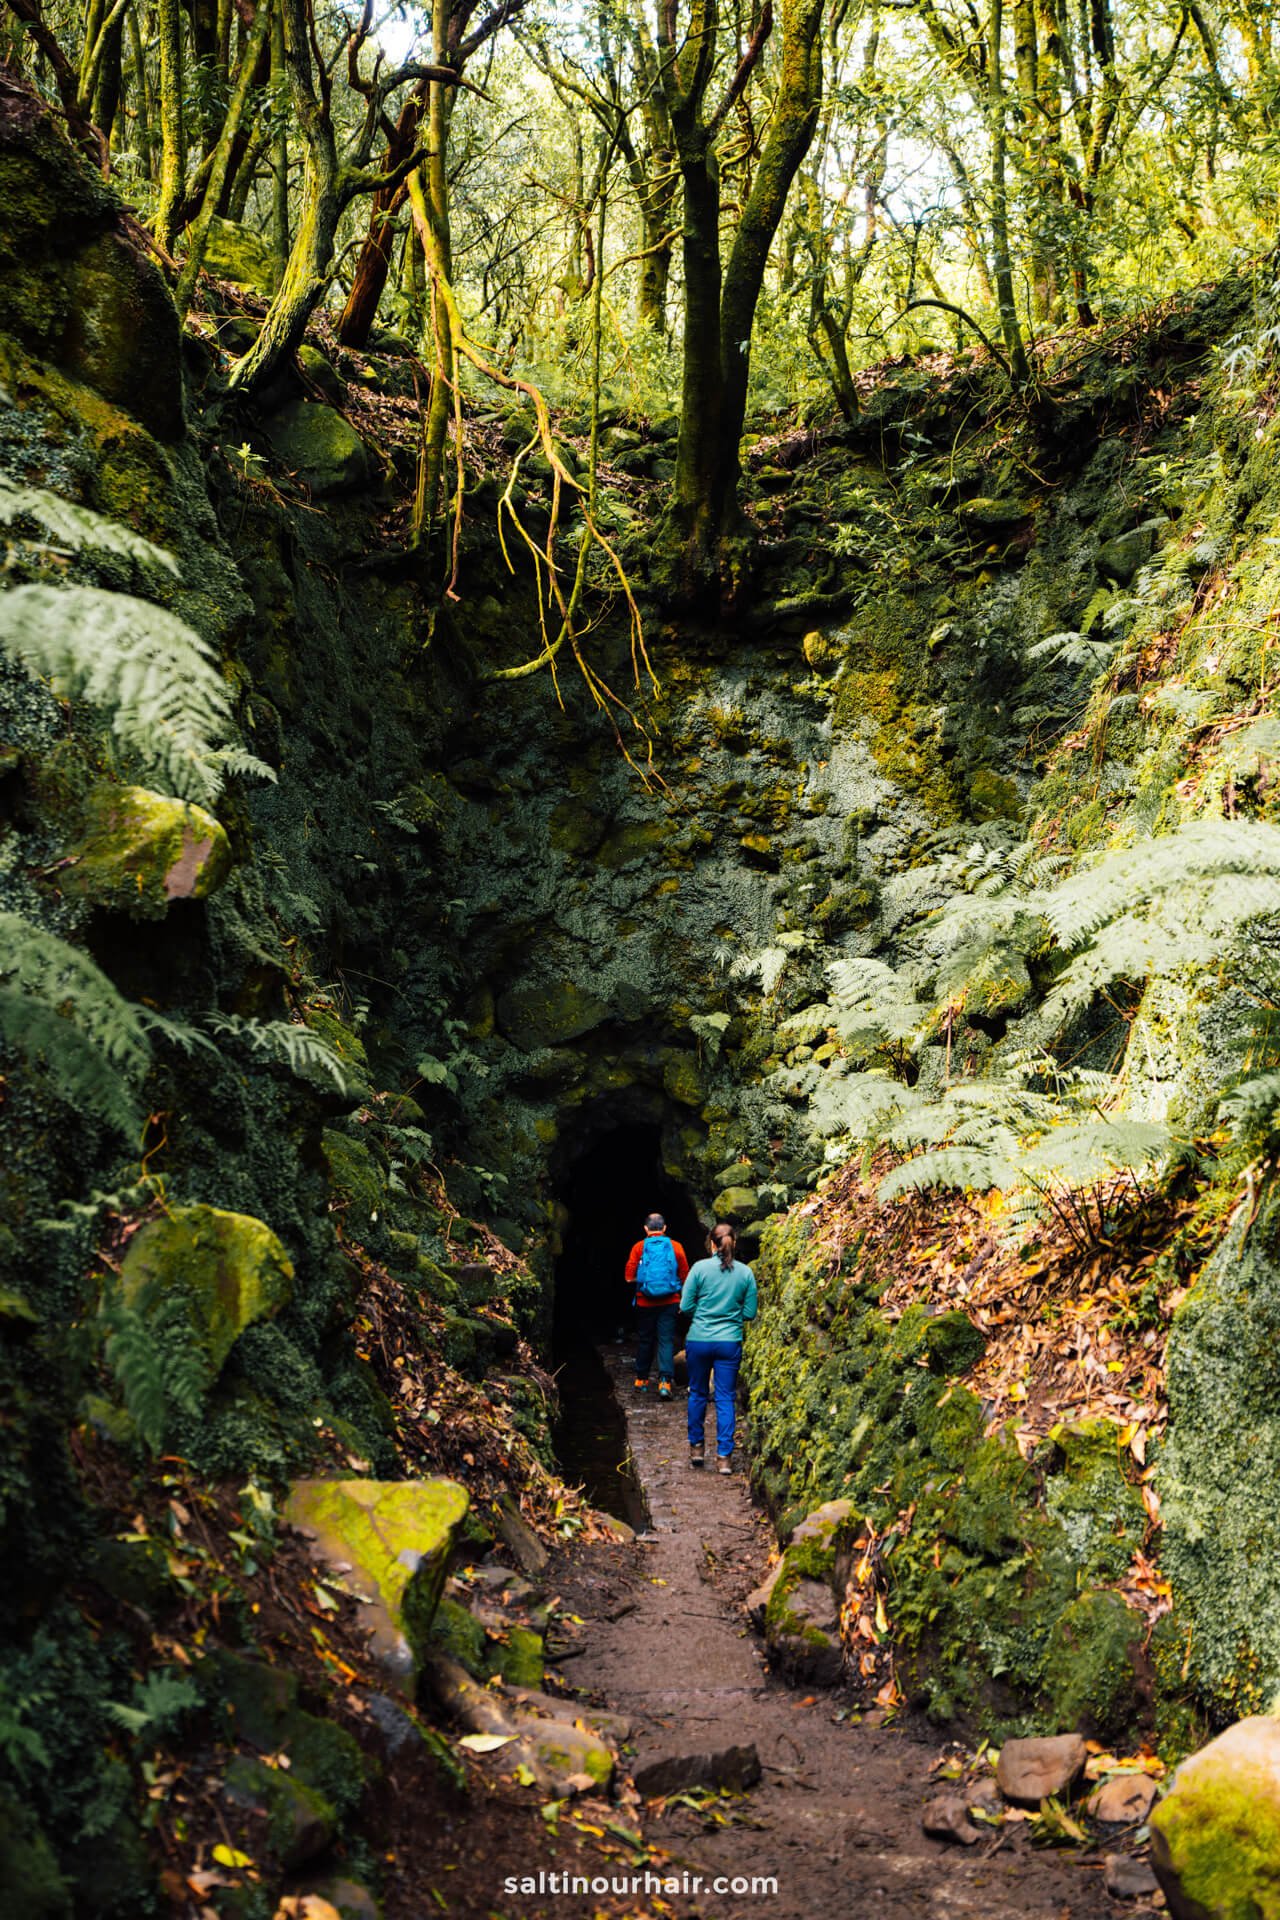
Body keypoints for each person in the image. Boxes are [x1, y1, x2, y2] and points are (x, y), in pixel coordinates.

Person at [681, 1221, 757, 1473]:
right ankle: (724, 1458)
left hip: (699, 1340)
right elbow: (749, 1312)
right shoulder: (745, 1273)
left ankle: (697, 1449)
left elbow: (685, 1306)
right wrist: (730, 1314)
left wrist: (703, 1313)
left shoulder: (700, 1268)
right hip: (729, 1342)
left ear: (712, 1244)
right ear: (733, 1243)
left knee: (698, 1394)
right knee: (725, 1397)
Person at [624, 1212, 689, 1399]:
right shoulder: (676, 1247)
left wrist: (645, 1282)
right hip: (670, 1301)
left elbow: (628, 1276)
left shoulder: (638, 1247)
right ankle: (665, 1382)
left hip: (645, 1301)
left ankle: (641, 1380)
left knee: (645, 1339)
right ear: (665, 1228)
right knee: (665, 1340)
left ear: (645, 1229)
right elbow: (685, 1274)